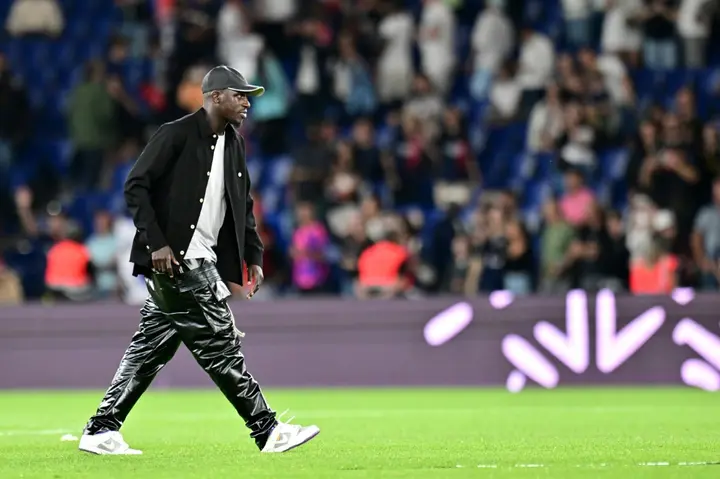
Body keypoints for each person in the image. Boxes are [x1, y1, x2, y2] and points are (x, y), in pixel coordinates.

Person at [78, 66, 320, 455]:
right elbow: (135, 185)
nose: (246, 102)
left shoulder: (236, 144)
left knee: (149, 348)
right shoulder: (174, 134)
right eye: (239, 95)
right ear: (216, 96)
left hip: (199, 258)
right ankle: (268, 430)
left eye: (248, 97)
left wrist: (253, 254)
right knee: (220, 344)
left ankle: (101, 429)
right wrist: (157, 243)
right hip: (177, 261)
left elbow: (243, 205)